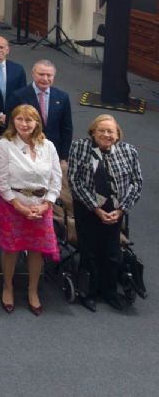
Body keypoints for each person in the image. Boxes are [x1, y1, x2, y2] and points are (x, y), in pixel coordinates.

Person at [0, 104, 62, 315]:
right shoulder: (5, 145)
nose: (24, 124)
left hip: (42, 206)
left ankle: (33, 290)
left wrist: (47, 203)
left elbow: (56, 178)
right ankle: (8, 287)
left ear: (36, 123)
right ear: (13, 121)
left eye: (29, 120)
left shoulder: (48, 146)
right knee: (11, 249)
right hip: (14, 204)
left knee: (36, 250)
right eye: (20, 119)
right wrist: (19, 206)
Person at [69, 115, 142, 312]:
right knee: (89, 251)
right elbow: (75, 181)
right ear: (93, 131)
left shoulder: (129, 151)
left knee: (112, 253)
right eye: (101, 130)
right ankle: (88, 292)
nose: (106, 135)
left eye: (111, 131)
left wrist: (121, 209)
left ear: (118, 135)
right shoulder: (80, 147)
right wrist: (96, 209)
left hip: (116, 210)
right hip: (87, 208)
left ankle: (109, 291)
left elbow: (136, 183)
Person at [5, 60, 73, 162]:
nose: (45, 78)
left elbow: (66, 128)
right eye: (41, 74)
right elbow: (10, 125)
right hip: (25, 151)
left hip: (53, 151)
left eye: (49, 75)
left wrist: (64, 157)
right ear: (33, 74)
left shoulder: (62, 97)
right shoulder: (18, 96)